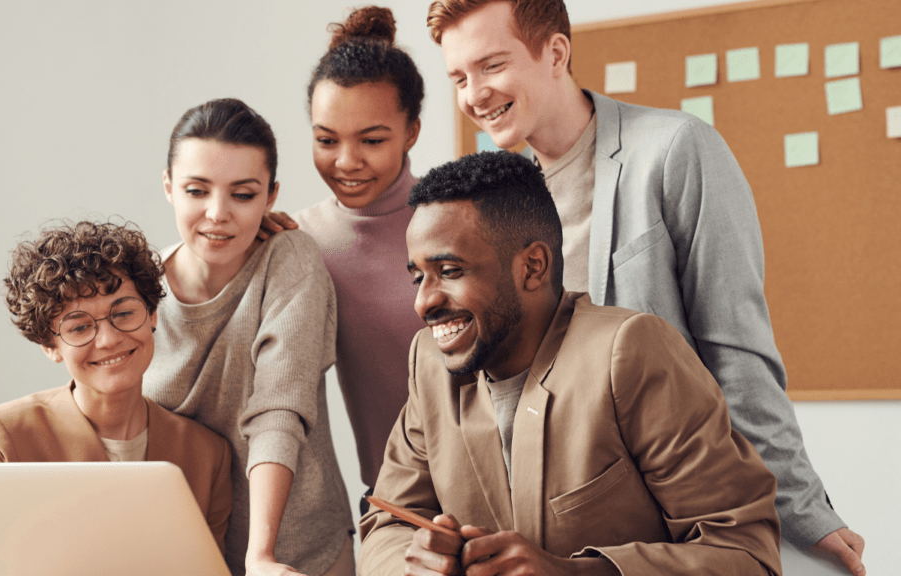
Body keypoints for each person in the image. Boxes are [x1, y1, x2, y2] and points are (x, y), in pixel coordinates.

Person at [426, 1, 865, 574]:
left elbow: (737, 352)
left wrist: (804, 512)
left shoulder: (675, 150)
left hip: (680, 516)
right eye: (459, 77)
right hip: (558, 529)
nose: (475, 94)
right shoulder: (495, 206)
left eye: (491, 66)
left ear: (555, 53)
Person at [358, 151, 782, 576]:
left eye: (449, 271)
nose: (423, 301)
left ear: (532, 266)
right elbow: (385, 522)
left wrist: (573, 573)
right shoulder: (430, 362)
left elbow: (746, 556)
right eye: (418, 277)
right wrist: (415, 564)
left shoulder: (629, 353)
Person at [0, 221, 234, 576]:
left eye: (123, 313)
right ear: (49, 346)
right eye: (78, 326)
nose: (107, 340)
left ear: (151, 315)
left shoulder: (207, 453)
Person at [141, 98, 353, 576]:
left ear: (270, 196)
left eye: (242, 195)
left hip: (297, 552)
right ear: (169, 188)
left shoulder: (289, 259)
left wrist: (262, 556)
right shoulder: (138, 286)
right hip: (183, 555)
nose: (218, 214)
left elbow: (279, 406)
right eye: (198, 191)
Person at [293, 5, 426, 513]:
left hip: (503, 492)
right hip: (394, 504)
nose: (345, 162)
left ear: (411, 131)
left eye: (371, 140)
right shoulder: (301, 239)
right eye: (326, 140)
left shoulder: (458, 219)